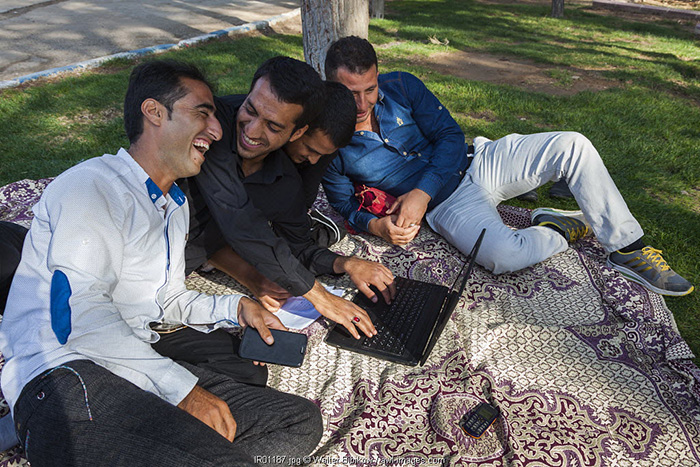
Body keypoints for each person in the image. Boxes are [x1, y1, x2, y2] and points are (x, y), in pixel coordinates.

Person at [0, 60, 322, 466]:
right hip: (67, 376)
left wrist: (235, 307)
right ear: (153, 112)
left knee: (298, 420)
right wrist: (182, 389)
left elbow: (165, 298)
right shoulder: (90, 186)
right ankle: (42, 426)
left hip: (135, 371)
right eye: (202, 113)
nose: (218, 130)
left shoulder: (174, 204)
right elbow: (75, 316)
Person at [321, 36, 693, 297]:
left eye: (369, 89)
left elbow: (450, 136)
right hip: (448, 206)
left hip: (479, 160)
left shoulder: (401, 85)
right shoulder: (328, 142)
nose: (363, 102)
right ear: (329, 85)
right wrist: (376, 226)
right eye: (351, 93)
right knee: (504, 257)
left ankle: (628, 247)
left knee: (572, 145)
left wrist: (421, 191)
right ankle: (559, 228)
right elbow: (341, 203)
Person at [155, 76, 394, 385]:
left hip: (176, 277)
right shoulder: (216, 129)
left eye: (272, 126)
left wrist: (346, 264)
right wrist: (318, 295)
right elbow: (237, 221)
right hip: (147, 262)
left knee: (250, 373)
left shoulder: (287, 181)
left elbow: (294, 242)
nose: (254, 130)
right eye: (253, 113)